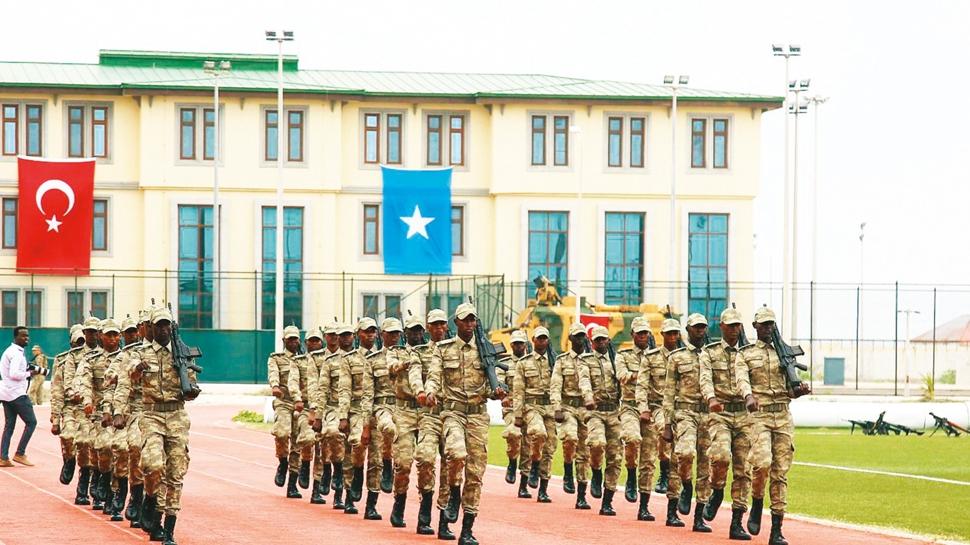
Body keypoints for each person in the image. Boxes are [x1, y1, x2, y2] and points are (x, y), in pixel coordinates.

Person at [429, 302, 506, 545]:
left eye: (473, 319)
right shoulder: (443, 349)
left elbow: (496, 380)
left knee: (475, 473)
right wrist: (430, 391)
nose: (470, 323)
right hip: (453, 413)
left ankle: (467, 529)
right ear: (456, 322)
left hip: (477, 416)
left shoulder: (486, 350)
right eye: (465, 319)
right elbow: (433, 376)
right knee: (456, 454)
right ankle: (453, 495)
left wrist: (498, 390)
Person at [736, 306, 809, 545]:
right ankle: (757, 502)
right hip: (760, 416)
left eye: (771, 324)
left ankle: (776, 530)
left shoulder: (783, 352)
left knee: (780, 473)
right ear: (755, 326)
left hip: (783, 416)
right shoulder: (746, 354)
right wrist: (748, 396)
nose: (768, 328)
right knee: (762, 464)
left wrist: (799, 390)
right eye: (764, 324)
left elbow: (791, 388)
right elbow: (741, 379)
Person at [129, 306, 201, 545]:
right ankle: (150, 499)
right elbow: (130, 375)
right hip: (151, 415)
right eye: (159, 325)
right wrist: (137, 370)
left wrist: (192, 390)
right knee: (153, 464)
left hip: (177, 415)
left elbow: (191, 383)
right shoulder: (141, 353)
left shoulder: (182, 352)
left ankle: (167, 526)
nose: (163, 329)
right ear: (151, 327)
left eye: (166, 325)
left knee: (176, 473)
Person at [700, 307, 753, 541]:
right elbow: (705, 379)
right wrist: (711, 398)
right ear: (721, 326)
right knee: (720, 456)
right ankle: (717, 490)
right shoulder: (710, 353)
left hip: (744, 416)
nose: (734, 329)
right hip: (720, 413)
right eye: (730, 325)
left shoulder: (750, 353)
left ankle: (737, 522)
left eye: (737, 325)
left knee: (743, 469)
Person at [662, 313, 714, 531]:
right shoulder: (677, 357)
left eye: (703, 327)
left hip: (709, 416)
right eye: (696, 327)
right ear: (688, 330)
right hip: (685, 413)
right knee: (683, 454)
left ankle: (698, 518)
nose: (700, 331)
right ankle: (685, 488)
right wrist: (667, 423)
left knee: (705, 466)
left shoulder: (713, 355)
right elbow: (668, 392)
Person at [578, 326, 622, 517]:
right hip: (594, 410)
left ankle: (607, 501)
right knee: (596, 444)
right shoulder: (586, 360)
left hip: (614, 411)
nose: (601, 342)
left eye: (604, 339)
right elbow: (584, 381)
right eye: (597, 340)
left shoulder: (617, 360)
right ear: (592, 342)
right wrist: (588, 397)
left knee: (615, 457)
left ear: (608, 340)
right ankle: (596, 471)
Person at [511, 326, 556, 503]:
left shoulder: (555, 362)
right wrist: (518, 414)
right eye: (539, 338)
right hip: (532, 407)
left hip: (550, 408)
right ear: (533, 340)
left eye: (545, 338)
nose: (542, 341)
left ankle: (543, 489)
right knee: (537, 434)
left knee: (549, 448)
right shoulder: (524, 363)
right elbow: (518, 390)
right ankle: (529, 475)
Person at [550, 322, 591, 509]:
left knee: (585, 453)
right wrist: (557, 408)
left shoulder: (592, 360)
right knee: (570, 438)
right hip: (568, 407)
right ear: (570, 338)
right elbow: (555, 385)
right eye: (577, 336)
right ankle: (567, 469)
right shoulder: (562, 361)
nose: (580, 339)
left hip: (587, 409)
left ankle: (581, 495)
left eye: (582, 335)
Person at [50, 325, 84, 485]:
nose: (81, 345)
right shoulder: (62, 360)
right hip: (69, 407)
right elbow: (57, 390)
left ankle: (83, 485)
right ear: (71, 342)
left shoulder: (94, 357)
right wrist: (56, 419)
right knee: (68, 437)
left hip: (88, 408)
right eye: (78, 342)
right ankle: (69, 460)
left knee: (88, 446)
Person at [1, 326, 39, 467]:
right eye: (23, 336)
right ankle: (20, 453)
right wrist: (30, 373)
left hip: (6, 393)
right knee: (32, 422)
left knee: (9, 426)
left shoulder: (9, 351)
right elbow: (14, 374)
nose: (26, 338)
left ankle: (3, 457)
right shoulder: (16, 354)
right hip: (17, 394)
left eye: (27, 336)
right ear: (15, 337)